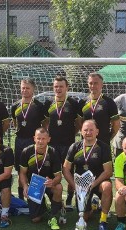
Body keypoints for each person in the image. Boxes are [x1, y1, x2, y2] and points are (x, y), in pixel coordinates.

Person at [62, 120, 113, 230]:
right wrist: (75, 186)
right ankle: (93, 207)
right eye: (85, 130)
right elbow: (65, 169)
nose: (88, 132)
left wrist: (93, 184)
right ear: (81, 131)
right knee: (85, 218)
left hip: (98, 183)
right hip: (81, 186)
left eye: (91, 130)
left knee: (107, 186)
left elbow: (108, 171)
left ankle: (103, 220)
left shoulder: (103, 147)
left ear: (97, 132)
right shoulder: (75, 147)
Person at [45, 76, 81, 211]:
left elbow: (78, 124)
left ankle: (70, 199)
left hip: (68, 144)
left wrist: (71, 133)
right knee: (54, 172)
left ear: (67, 88)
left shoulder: (73, 103)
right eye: (56, 86)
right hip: (53, 145)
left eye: (61, 86)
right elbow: (45, 123)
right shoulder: (48, 103)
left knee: (69, 172)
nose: (58, 89)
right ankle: (56, 200)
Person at [11, 78, 48, 201]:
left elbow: (45, 124)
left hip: (34, 142)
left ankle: (34, 197)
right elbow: (15, 123)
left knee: (34, 169)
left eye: (27, 88)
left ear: (33, 89)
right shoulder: (15, 106)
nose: (24, 90)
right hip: (20, 141)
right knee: (20, 169)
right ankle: (21, 199)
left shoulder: (39, 106)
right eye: (22, 88)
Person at [19, 128, 64, 230]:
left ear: (49, 139)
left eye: (43, 139)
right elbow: (22, 173)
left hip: (49, 184)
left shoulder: (53, 152)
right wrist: (25, 185)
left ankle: (53, 216)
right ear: (34, 138)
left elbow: (59, 176)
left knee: (59, 187)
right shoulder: (27, 152)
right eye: (38, 138)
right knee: (35, 219)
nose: (40, 141)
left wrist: (52, 182)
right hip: (34, 185)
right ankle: (44, 205)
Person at [81, 73, 119, 146]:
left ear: (102, 84)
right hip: (86, 144)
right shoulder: (82, 102)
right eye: (90, 83)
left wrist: (108, 137)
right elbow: (79, 123)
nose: (93, 86)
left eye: (96, 83)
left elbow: (116, 124)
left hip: (103, 143)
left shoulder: (109, 102)